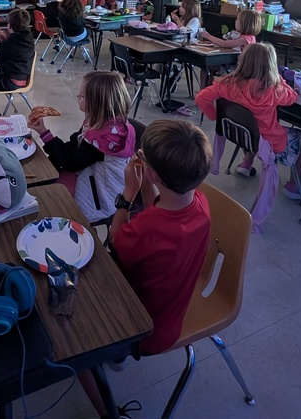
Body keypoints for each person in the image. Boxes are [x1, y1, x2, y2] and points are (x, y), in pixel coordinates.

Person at [77, 119, 212, 418]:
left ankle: (110, 414)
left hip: (144, 327)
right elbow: (158, 211)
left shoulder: (148, 229)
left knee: (77, 351)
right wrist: (149, 186)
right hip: (172, 309)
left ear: (152, 172)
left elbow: (115, 239)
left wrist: (127, 194)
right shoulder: (200, 203)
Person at [195, 42, 301, 200]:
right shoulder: (274, 90)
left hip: (241, 136)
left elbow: (201, 98)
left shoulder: (227, 83)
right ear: (271, 66)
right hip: (269, 142)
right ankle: (294, 186)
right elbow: (292, 97)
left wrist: (214, 116)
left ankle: (247, 163)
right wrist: (280, 79)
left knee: (252, 126)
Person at [28, 71, 136, 222]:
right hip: (88, 170)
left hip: (102, 193)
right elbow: (74, 145)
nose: (77, 97)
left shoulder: (103, 138)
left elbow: (70, 162)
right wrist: (44, 132)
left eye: (82, 96)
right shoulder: (101, 121)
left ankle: (85, 228)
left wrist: (45, 134)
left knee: (49, 197)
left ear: (97, 103)